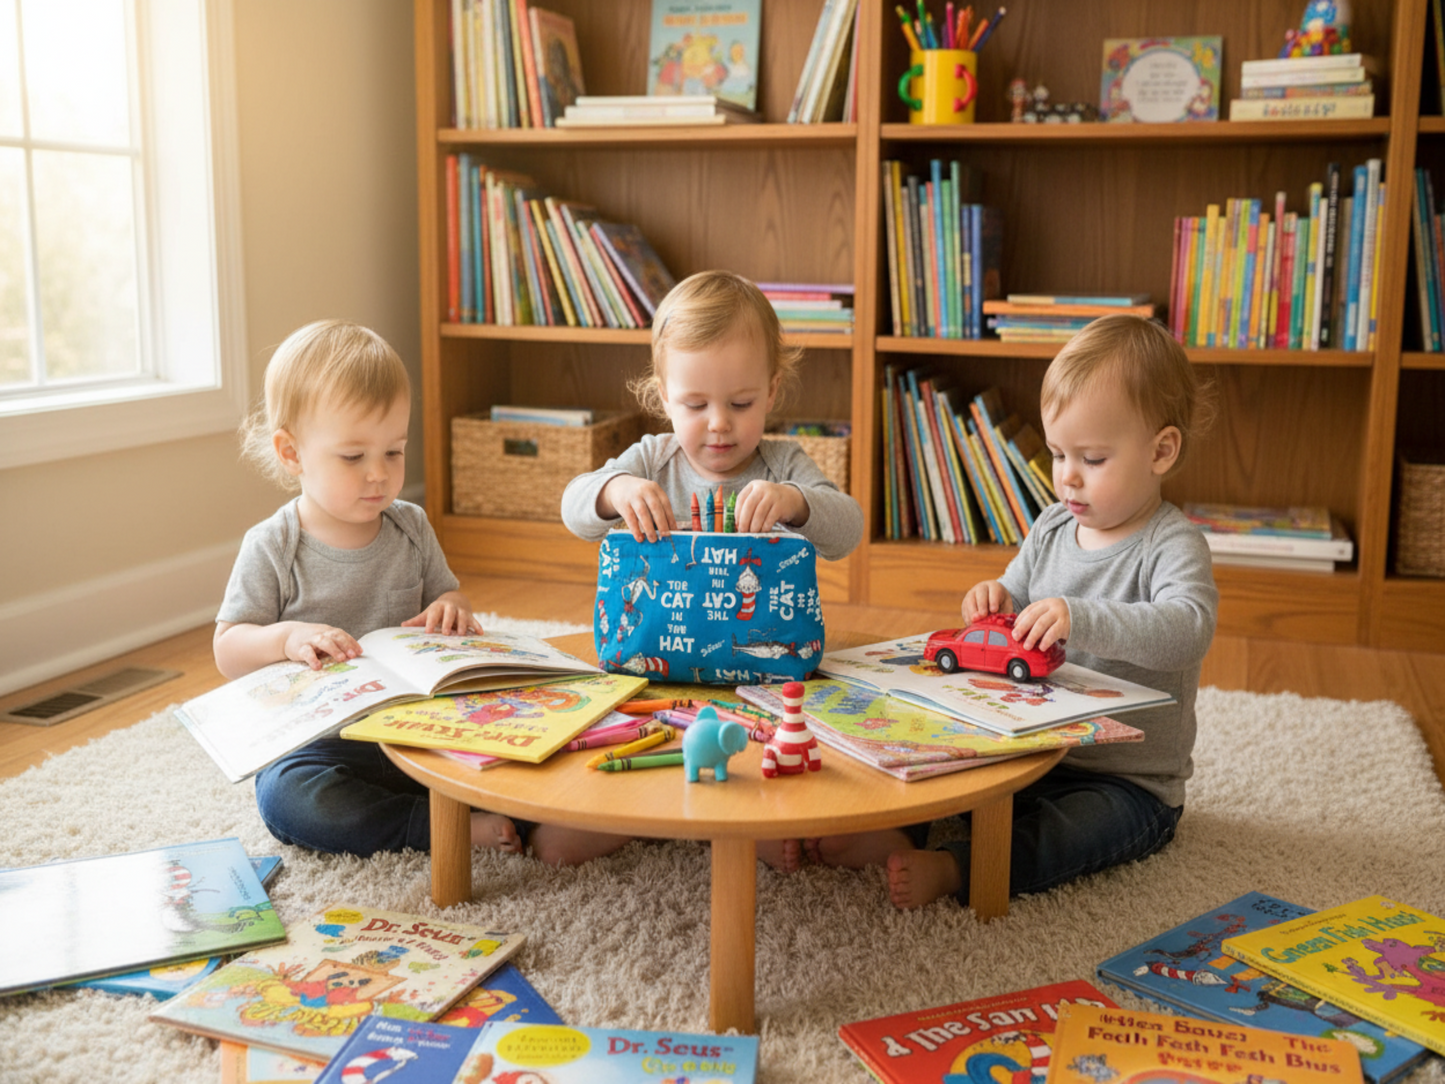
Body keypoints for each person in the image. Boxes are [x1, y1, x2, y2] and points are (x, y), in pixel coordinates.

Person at [886, 314, 1219, 909]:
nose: (1066, 477)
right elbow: (1016, 591)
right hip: (1031, 753)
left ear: (1160, 451)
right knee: (941, 765)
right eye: (1059, 452)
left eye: (1092, 458)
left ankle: (961, 868)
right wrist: (995, 597)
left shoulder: (1171, 544)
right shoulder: (1052, 525)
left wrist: (1081, 615)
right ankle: (893, 830)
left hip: (1125, 782)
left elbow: (1188, 630)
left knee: (1070, 836)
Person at [559, 269, 865, 867]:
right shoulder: (652, 457)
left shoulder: (783, 463)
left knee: (795, 754)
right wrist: (615, 489)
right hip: (651, 678)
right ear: (662, 395)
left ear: (772, 391)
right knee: (598, 767)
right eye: (695, 404)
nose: (719, 422)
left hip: (764, 684)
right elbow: (575, 508)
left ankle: (759, 825)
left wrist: (797, 503)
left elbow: (847, 529)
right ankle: (633, 816)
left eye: (741, 403)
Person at [214, 319, 526, 860]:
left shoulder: (411, 527)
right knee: (288, 798)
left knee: (520, 743)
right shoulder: (272, 545)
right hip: (323, 745)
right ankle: (433, 826)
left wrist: (451, 611)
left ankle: (494, 806)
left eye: (394, 452)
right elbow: (228, 646)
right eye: (354, 457)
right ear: (292, 454)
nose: (378, 475)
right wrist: (285, 637)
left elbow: (449, 597)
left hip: (417, 732)